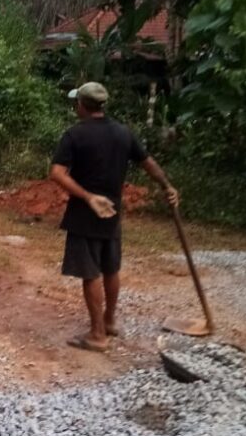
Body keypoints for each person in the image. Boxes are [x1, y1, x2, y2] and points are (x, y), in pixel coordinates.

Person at [49, 81, 179, 353]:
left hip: (86, 214)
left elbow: (58, 173)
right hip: (113, 212)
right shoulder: (123, 133)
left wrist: (87, 196)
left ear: (82, 105)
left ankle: (97, 335)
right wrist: (167, 186)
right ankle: (108, 321)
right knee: (111, 268)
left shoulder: (74, 135)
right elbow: (148, 162)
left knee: (91, 273)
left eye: (77, 103)